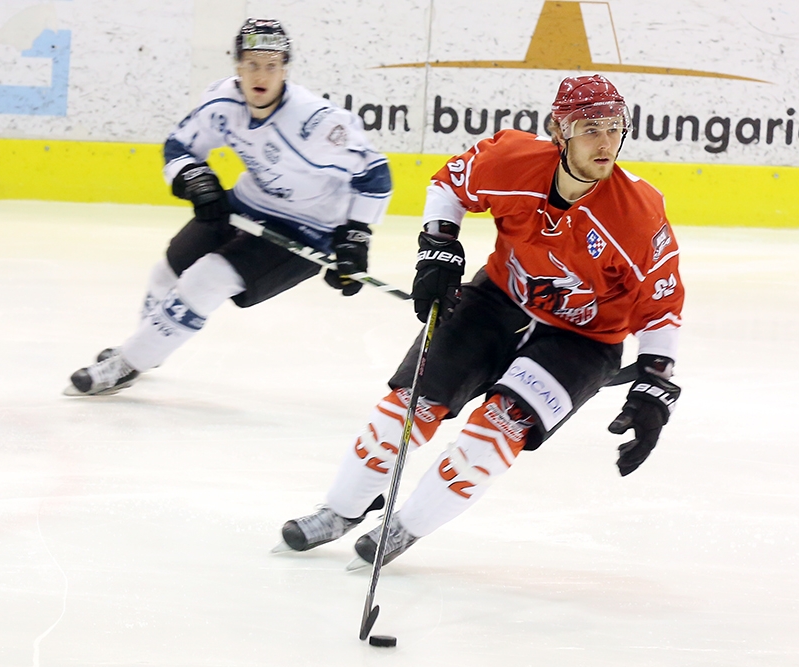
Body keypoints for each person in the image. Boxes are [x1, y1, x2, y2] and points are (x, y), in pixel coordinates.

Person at [278, 75, 685, 566]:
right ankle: (341, 510)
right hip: (497, 300)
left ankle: (404, 529)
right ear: (560, 131)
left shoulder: (638, 214)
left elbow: (662, 304)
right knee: (409, 406)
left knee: (497, 430)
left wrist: (654, 386)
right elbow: (449, 185)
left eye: (614, 128)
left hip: (584, 339)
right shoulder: (511, 159)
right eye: (590, 128)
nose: (606, 143)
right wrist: (438, 247)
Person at [65, 18, 392, 396]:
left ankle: (127, 364)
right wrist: (195, 179)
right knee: (168, 269)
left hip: (309, 226)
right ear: (238, 66)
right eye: (252, 64)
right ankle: (146, 348)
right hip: (249, 201)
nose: (261, 75)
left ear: (285, 69)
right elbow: (180, 146)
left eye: (272, 66)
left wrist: (355, 238)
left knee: (207, 278)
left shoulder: (316, 123)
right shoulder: (223, 102)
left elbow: (375, 175)